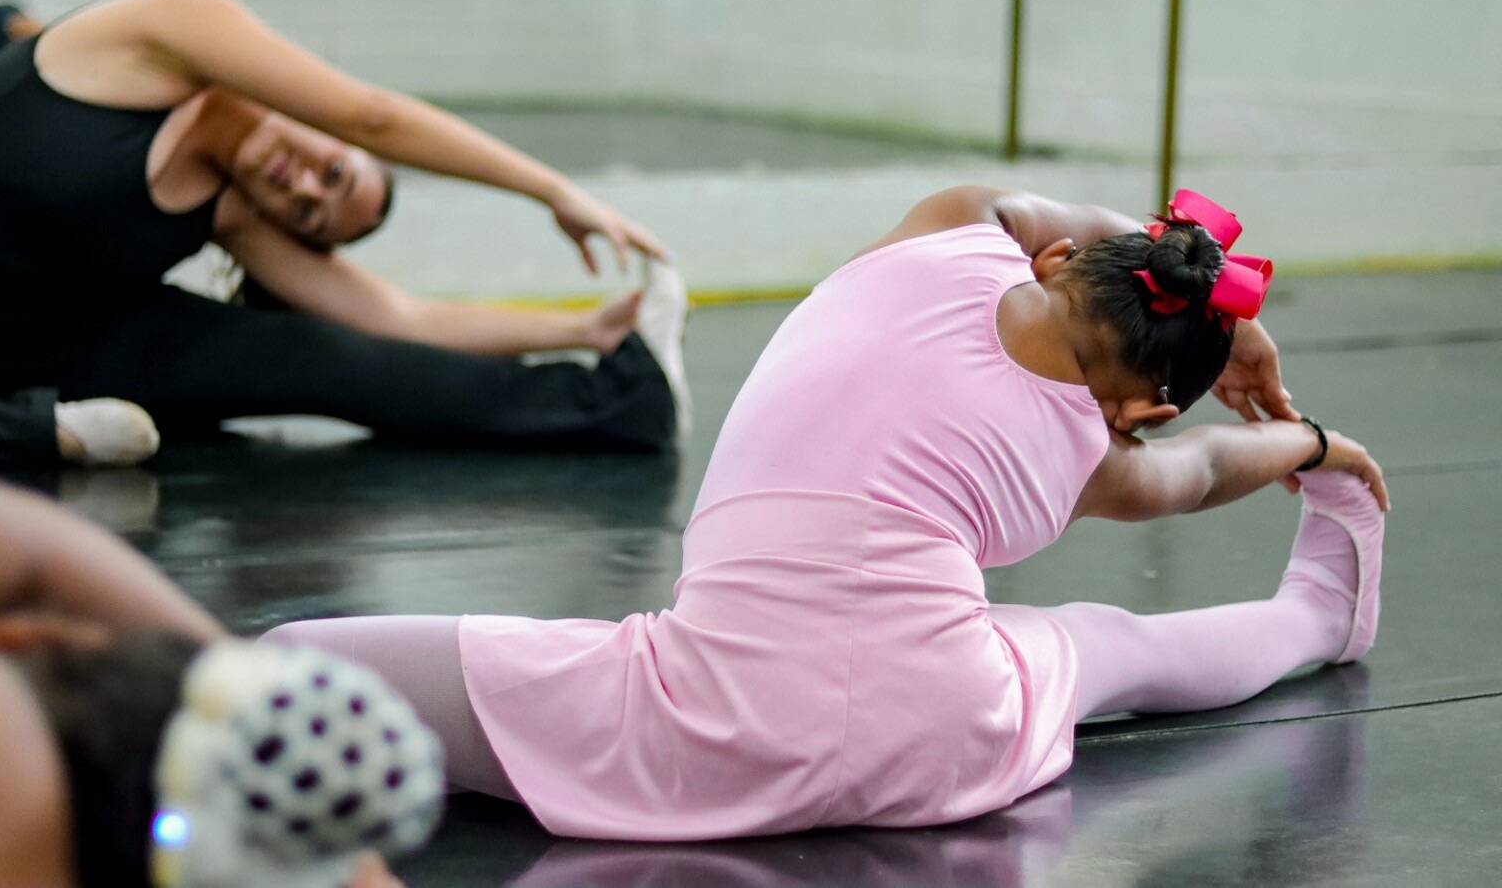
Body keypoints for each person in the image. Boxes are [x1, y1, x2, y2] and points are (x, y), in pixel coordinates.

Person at [262, 186, 1389, 840]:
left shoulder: (948, 233)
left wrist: (1205, 287)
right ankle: (1319, 619)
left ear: (1054, 254)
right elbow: (1195, 473)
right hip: (939, 738)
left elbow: (1043, 214)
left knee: (291, 661)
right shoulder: (1086, 453)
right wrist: (1314, 443)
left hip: (700, 720)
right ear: (1148, 406)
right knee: (1111, 645)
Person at [0, 0, 688, 470]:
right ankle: (32, 431)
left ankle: (628, 400)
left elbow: (396, 318)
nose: (304, 187)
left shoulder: (236, 209)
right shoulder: (167, 30)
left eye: (309, 214)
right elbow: (372, 114)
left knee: (320, 354)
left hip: (51, 345)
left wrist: (583, 328)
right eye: (335, 170)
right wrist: (552, 190)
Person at [0, 463, 445, 887]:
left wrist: (224, 680)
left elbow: (31, 552)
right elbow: (31, 551)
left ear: (18, 635)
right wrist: (222, 679)